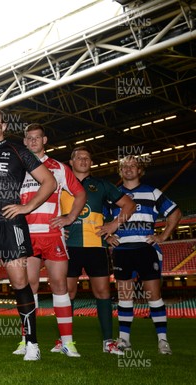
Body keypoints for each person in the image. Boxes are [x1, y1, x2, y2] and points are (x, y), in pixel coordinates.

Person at [0, 108, 57, 361]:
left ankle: (32, 343)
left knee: (20, 283)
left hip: (11, 223)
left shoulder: (17, 150)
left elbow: (49, 182)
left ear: (4, 125)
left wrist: (27, 207)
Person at [19, 123, 86, 357]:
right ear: (25, 142)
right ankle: (26, 341)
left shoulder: (58, 167)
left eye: (38, 137)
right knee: (28, 288)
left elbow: (80, 193)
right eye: (29, 138)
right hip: (26, 236)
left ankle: (67, 342)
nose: (34, 141)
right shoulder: (18, 168)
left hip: (52, 234)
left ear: (44, 140)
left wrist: (70, 217)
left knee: (59, 285)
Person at [62, 146, 136, 355]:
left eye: (87, 157)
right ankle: (65, 340)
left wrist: (114, 225)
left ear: (91, 162)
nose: (84, 160)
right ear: (71, 161)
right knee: (67, 294)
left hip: (96, 246)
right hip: (69, 247)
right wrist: (56, 230)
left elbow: (129, 205)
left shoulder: (102, 185)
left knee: (103, 293)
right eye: (79, 158)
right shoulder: (61, 184)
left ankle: (107, 341)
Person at [108, 155, 181, 355]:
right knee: (124, 297)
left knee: (154, 296)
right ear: (120, 171)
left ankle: (163, 341)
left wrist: (164, 235)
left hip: (146, 249)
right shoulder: (113, 194)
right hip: (122, 250)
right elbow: (101, 221)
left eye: (133, 166)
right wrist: (108, 237)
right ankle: (124, 341)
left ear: (140, 171)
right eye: (124, 166)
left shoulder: (152, 192)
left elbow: (175, 213)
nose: (129, 169)